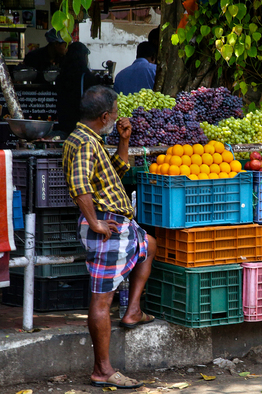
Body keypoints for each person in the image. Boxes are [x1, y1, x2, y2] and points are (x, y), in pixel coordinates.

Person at [62, 85, 157, 389]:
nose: (117, 117)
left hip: (119, 223)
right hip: (107, 226)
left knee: (149, 244)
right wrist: (96, 224)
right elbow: (80, 187)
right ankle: (102, 370)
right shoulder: (85, 143)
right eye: (114, 113)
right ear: (104, 115)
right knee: (102, 300)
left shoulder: (90, 138)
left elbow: (111, 174)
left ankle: (133, 310)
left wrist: (124, 141)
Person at [56, 42, 101, 136]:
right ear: (84, 57)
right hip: (80, 123)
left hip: (64, 121)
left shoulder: (61, 77)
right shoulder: (87, 77)